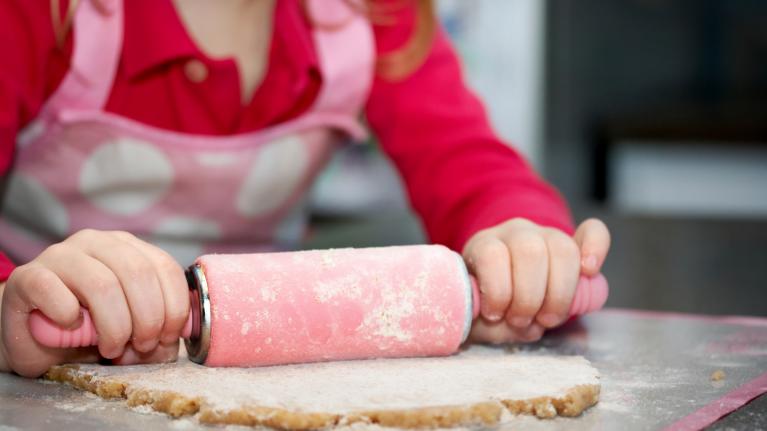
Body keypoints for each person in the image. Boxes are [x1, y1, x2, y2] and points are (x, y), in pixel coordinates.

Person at [0, 0, 610, 377]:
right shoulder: (46, 12)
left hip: (256, 356)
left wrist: (518, 239)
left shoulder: (369, 13)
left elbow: (469, 163)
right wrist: (9, 307)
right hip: (65, 332)